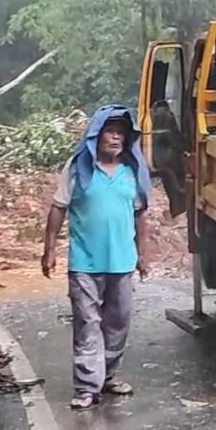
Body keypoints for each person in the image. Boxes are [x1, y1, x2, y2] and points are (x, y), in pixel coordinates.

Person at [41, 105, 151, 409]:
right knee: (88, 323)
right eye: (110, 131)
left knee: (118, 321)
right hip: (85, 262)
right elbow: (58, 207)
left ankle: (109, 376)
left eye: (121, 133)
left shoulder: (132, 172)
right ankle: (88, 387)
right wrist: (49, 250)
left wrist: (143, 254)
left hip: (122, 262)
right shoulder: (78, 168)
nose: (116, 137)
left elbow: (140, 215)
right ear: (96, 135)